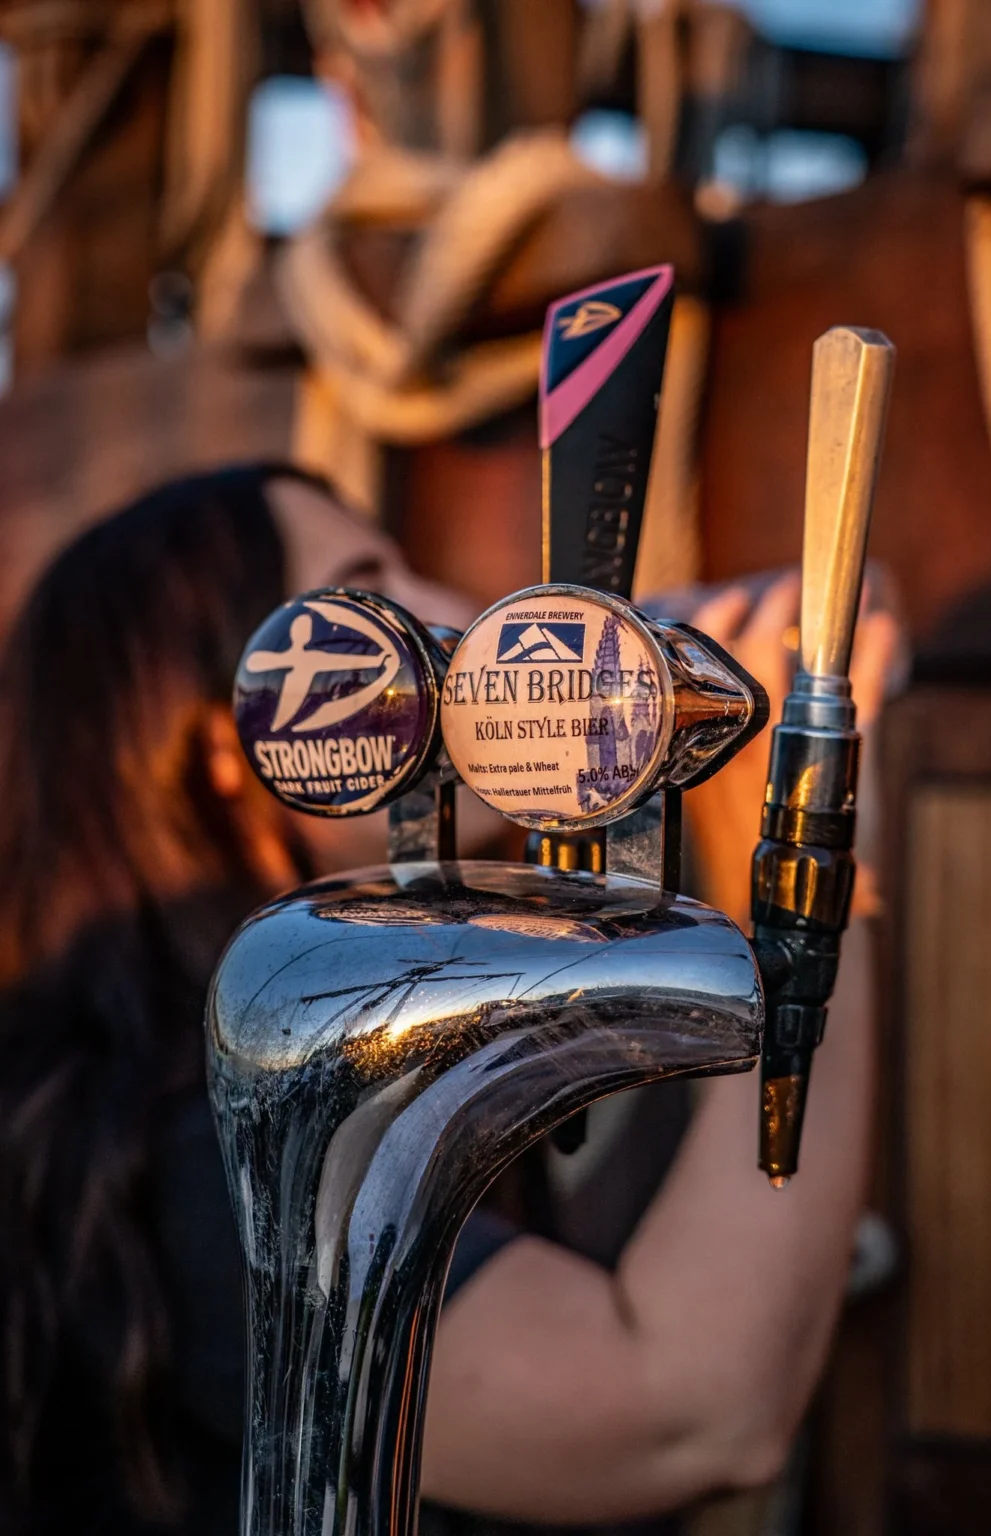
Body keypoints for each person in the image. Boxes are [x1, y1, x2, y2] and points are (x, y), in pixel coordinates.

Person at [0, 460, 898, 1536]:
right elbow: (686, 1411)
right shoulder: (200, 1137)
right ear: (233, 740)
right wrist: (805, 852)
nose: (462, 621)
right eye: (371, 597)